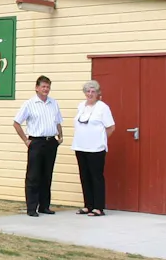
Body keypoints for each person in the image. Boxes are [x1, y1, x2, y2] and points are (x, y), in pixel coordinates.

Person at [12, 75, 63, 217]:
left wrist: (60, 136)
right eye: (43, 87)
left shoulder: (53, 103)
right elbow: (16, 123)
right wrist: (25, 140)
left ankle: (44, 206)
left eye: (48, 87)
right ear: (37, 88)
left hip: (50, 142)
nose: (46, 89)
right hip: (36, 142)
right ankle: (32, 208)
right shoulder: (29, 104)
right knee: (33, 176)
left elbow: (58, 121)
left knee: (47, 175)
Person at [72, 80, 115, 217]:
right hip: (80, 147)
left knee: (96, 177)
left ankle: (98, 207)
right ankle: (88, 205)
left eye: (93, 91)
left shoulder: (103, 107)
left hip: (96, 149)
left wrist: (100, 139)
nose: (90, 94)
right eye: (88, 91)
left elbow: (111, 127)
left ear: (98, 93)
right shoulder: (81, 106)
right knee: (84, 177)